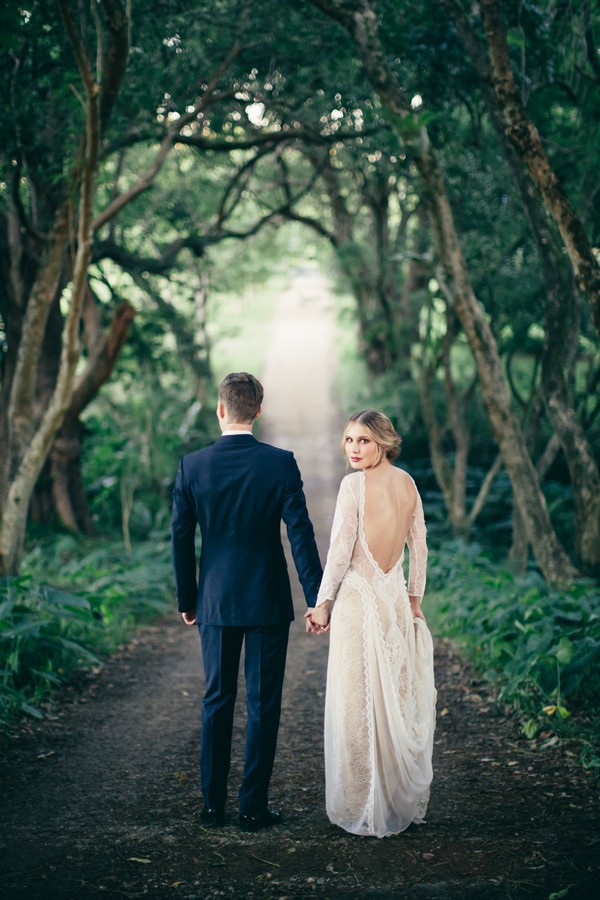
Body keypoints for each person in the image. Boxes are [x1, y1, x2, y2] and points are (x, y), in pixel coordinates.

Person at [172, 372, 322, 832]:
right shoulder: (279, 464)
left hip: (215, 601)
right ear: (258, 411)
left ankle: (211, 807)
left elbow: (180, 538)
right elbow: (300, 533)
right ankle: (252, 807)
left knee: (217, 699)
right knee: (263, 704)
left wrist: (188, 597)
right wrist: (317, 598)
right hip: (267, 600)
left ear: (221, 409)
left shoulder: (191, 466)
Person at [305, 409, 436, 838]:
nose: (354, 449)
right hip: (393, 600)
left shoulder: (354, 486)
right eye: (349, 441)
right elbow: (420, 547)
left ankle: (364, 804)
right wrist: (413, 599)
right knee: (391, 702)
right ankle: (390, 802)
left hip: (360, 604)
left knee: (358, 706)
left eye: (363, 440)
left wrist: (323, 603)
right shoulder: (408, 484)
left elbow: (341, 550)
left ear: (383, 442)